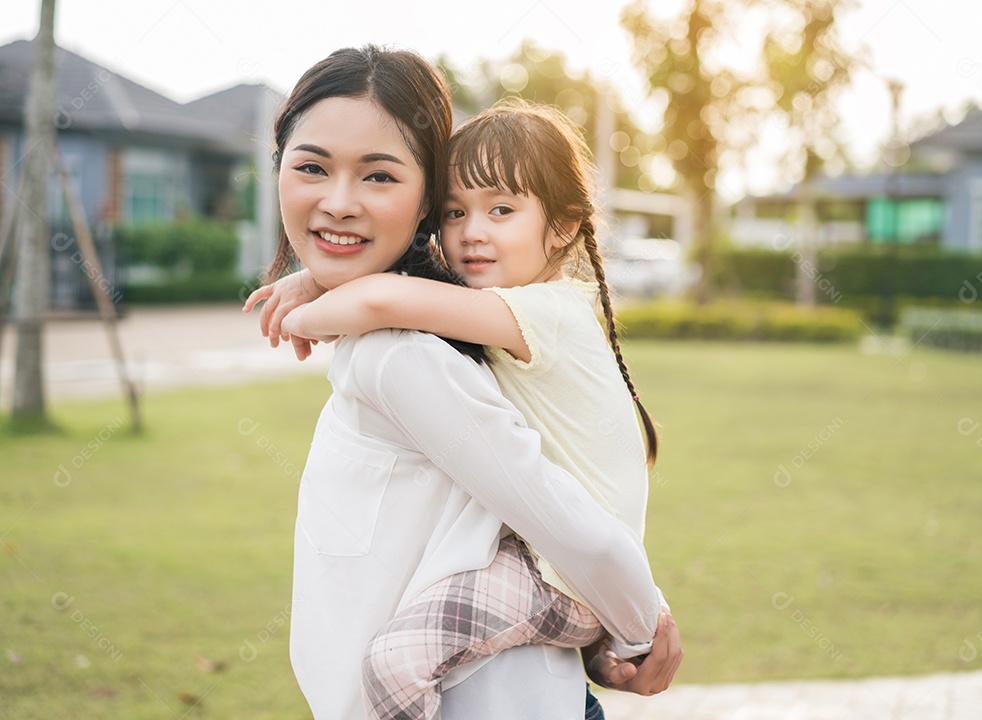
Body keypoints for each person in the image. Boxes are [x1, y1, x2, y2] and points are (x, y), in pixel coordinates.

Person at [242, 46, 681, 720]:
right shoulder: (455, 325)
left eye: (380, 176)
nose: (338, 201)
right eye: (310, 167)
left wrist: (639, 619)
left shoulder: (406, 357)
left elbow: (560, 515)